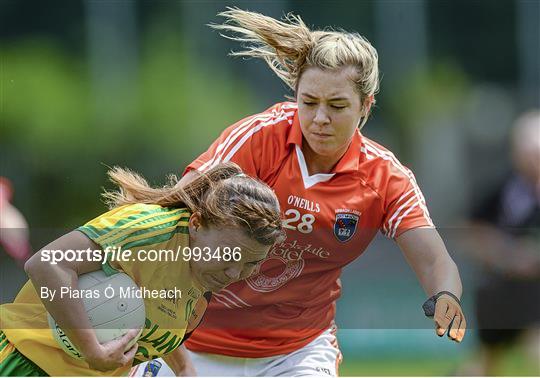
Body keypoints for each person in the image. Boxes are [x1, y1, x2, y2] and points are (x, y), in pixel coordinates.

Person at [138, 8, 467, 377]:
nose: (319, 118)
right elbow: (172, 214)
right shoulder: (259, 139)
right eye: (308, 102)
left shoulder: (385, 177)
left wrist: (446, 296)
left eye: (337, 105)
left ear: (366, 106)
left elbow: (436, 261)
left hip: (296, 353)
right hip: (193, 340)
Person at [0, 162, 284, 376]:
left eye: (251, 263)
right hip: (25, 360)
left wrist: (185, 370)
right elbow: (46, 264)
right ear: (196, 224)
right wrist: (91, 349)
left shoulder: (204, 276)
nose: (234, 274)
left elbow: (155, 315)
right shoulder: (150, 228)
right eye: (227, 254)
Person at [461, 110, 540, 376]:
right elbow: (472, 232)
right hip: (505, 289)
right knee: (486, 362)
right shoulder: (503, 191)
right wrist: (507, 255)